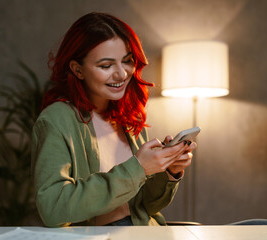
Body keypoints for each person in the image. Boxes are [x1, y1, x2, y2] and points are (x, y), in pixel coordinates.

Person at [31, 12, 196, 227]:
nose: (121, 74)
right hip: (101, 234)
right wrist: (139, 168)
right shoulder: (56, 120)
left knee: (253, 225)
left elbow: (143, 207)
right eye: (106, 66)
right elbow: (53, 208)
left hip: (145, 231)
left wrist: (169, 172)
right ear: (77, 70)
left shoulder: (129, 117)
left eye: (127, 61)